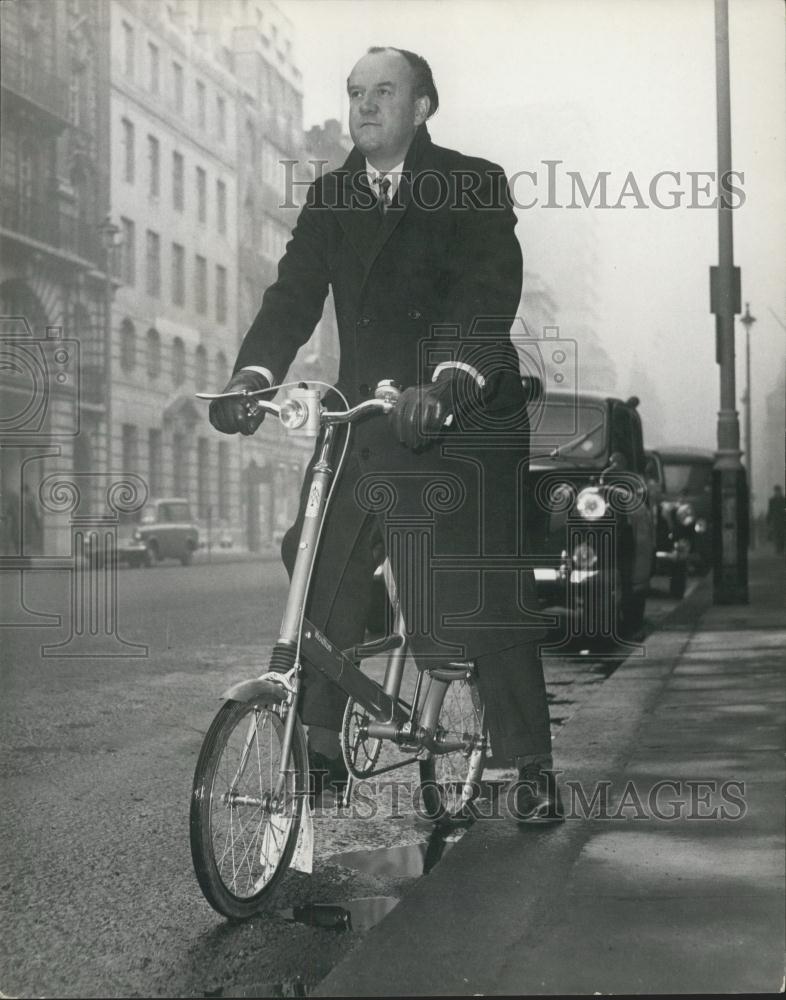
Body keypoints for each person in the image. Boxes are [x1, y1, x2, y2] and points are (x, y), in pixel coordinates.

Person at [210, 47, 561, 822]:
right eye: (355, 93)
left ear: (423, 106)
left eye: (384, 92)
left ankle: (529, 766)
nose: (365, 106)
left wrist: (448, 383)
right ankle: (324, 749)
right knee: (315, 556)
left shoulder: (471, 182)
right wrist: (253, 378)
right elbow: (292, 294)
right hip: (369, 411)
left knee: (481, 585)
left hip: (460, 411)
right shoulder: (333, 195)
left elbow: (485, 290)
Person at [766, 485, 785, 554]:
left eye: (778, 491)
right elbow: (770, 511)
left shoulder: (784, 500)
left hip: (783, 520)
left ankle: (781, 549)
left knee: (782, 535)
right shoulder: (772, 500)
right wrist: (768, 520)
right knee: (776, 535)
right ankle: (777, 549)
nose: (777, 492)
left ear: (780, 491)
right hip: (775, 520)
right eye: (776, 491)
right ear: (775, 492)